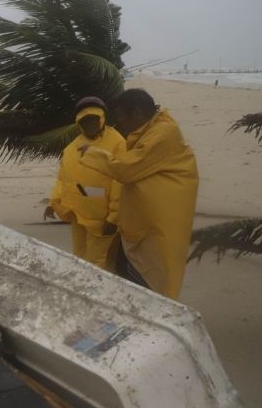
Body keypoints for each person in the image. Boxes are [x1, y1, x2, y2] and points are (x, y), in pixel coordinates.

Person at [79, 88, 198, 300]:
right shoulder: (151, 130)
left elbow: (127, 169)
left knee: (152, 276)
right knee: (128, 268)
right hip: (143, 221)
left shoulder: (163, 133)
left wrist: (93, 154)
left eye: (122, 119)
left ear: (136, 112)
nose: (121, 126)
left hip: (158, 224)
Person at [44, 97, 125, 271]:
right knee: (79, 259)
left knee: (97, 263)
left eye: (94, 120)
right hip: (78, 213)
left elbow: (121, 182)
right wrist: (53, 202)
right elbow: (63, 177)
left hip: (102, 218)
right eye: (85, 121)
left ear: (102, 119)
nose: (91, 124)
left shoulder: (117, 143)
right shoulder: (73, 147)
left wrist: (113, 218)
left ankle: (96, 295)